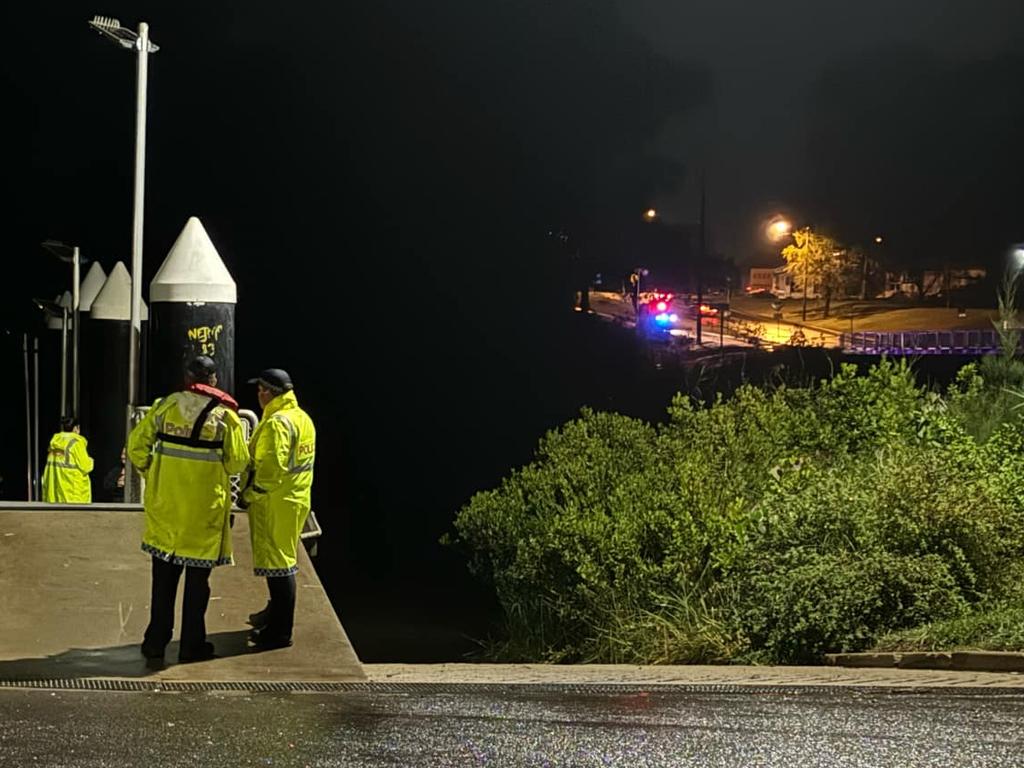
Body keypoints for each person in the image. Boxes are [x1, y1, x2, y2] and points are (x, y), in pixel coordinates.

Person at [127, 355, 249, 663]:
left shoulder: (164, 407)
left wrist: (153, 473)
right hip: (203, 514)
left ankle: (155, 642)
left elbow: (136, 446)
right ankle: (191, 646)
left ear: (187, 378)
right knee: (198, 587)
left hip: (166, 509)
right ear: (213, 380)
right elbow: (237, 462)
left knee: (163, 583)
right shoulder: (226, 418)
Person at [239, 368, 316, 650]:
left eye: (260, 390)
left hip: (274, 502)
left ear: (267, 392)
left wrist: (252, 494)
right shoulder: (302, 418)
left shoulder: (277, 423)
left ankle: (280, 632)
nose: (258, 396)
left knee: (279, 566)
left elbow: (271, 467)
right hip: (295, 499)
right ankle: (274, 616)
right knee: (283, 560)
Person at [41, 416, 94, 503]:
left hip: (55, 493)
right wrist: (91, 460)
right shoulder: (76, 443)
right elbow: (86, 466)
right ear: (76, 428)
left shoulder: (54, 442)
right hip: (73, 493)